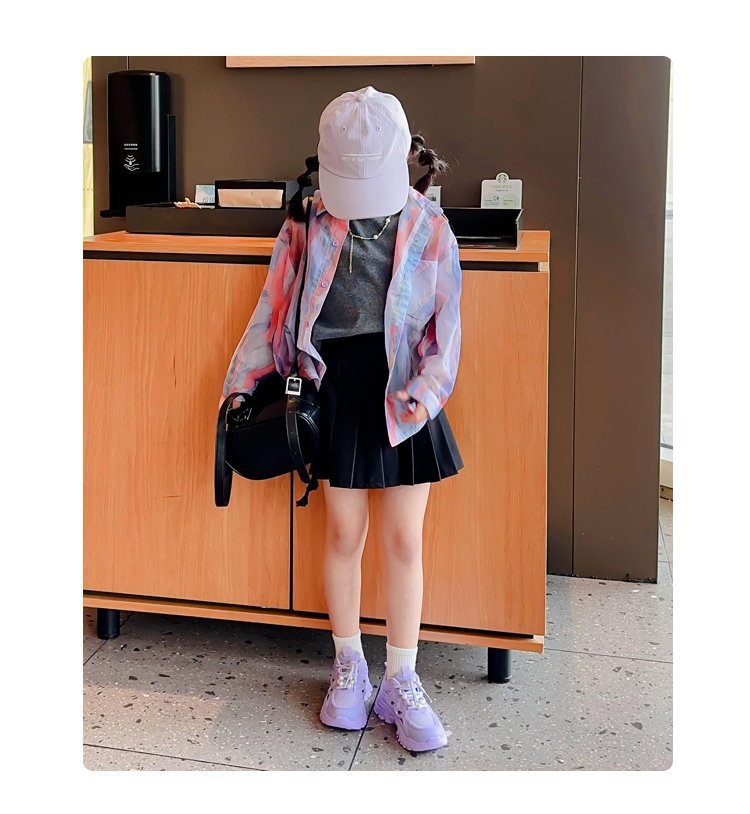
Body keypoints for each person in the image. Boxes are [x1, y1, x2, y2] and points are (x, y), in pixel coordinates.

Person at [219, 86, 464, 753]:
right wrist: (240, 386)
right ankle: (349, 664)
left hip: (403, 392)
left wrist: (427, 393)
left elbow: (445, 329)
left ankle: (402, 678)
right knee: (343, 531)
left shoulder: (430, 225)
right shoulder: (305, 220)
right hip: (334, 392)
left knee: (405, 540)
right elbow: (273, 309)